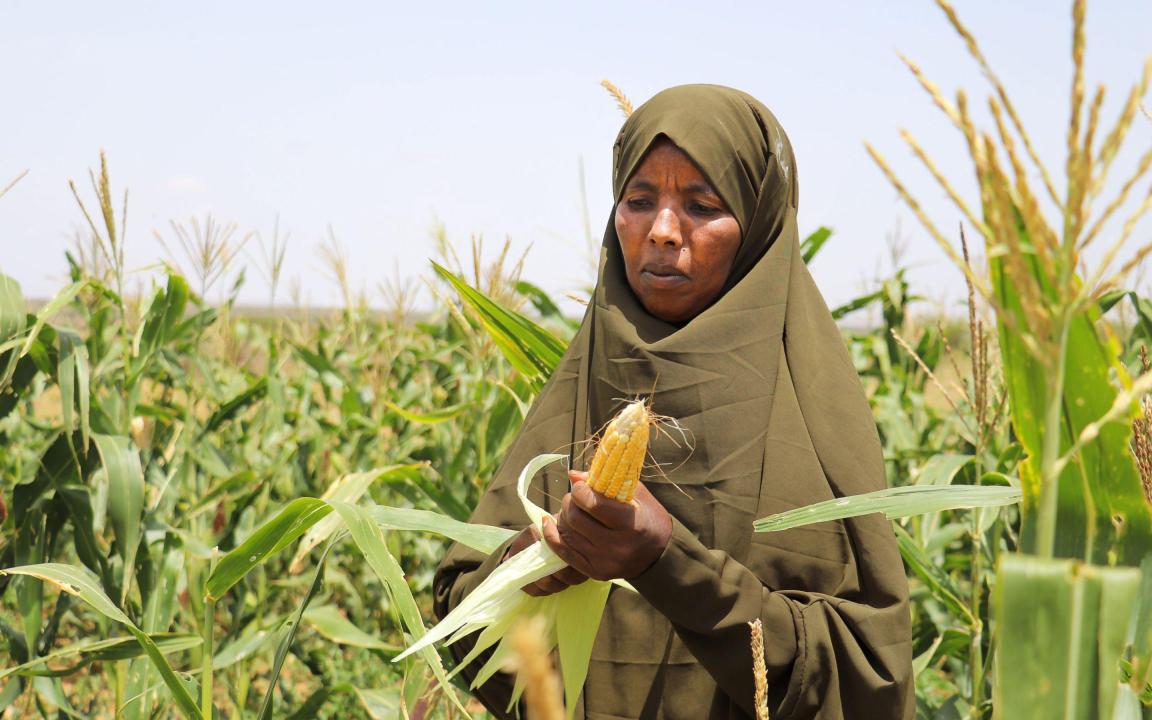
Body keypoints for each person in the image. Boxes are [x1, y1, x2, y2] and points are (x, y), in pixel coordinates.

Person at [433, 84, 914, 720]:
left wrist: (666, 561)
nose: (662, 231)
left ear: (758, 223)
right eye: (638, 202)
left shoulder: (809, 412)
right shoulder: (587, 381)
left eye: (701, 205)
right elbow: (461, 621)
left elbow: (867, 678)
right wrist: (537, 563)